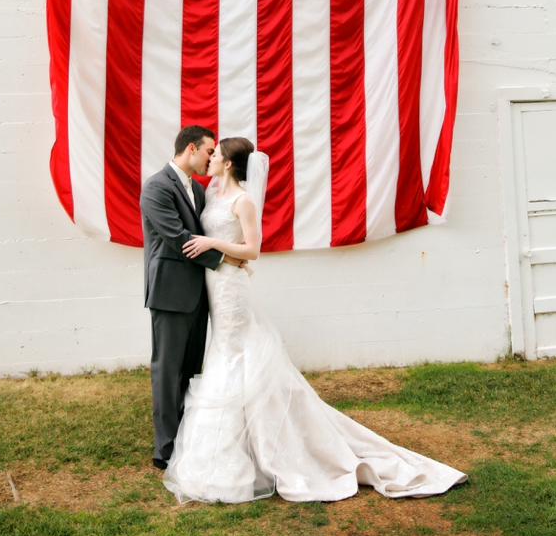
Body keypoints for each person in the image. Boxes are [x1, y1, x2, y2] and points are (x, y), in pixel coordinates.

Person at [163, 137, 467, 504]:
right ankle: (237, 446)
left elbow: (253, 250)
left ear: (229, 164)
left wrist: (215, 247)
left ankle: (251, 452)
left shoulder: (242, 201)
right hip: (217, 285)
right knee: (224, 354)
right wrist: (225, 255)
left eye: (216, 154)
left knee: (235, 354)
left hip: (232, 291)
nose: (209, 158)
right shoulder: (210, 196)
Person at [139, 125, 245, 470]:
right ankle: (165, 449)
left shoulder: (199, 192)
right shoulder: (156, 187)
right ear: (189, 149)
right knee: (167, 371)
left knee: (190, 370)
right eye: (208, 151)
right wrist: (227, 258)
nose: (212, 157)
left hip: (200, 293)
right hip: (170, 292)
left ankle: (188, 438)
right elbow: (179, 239)